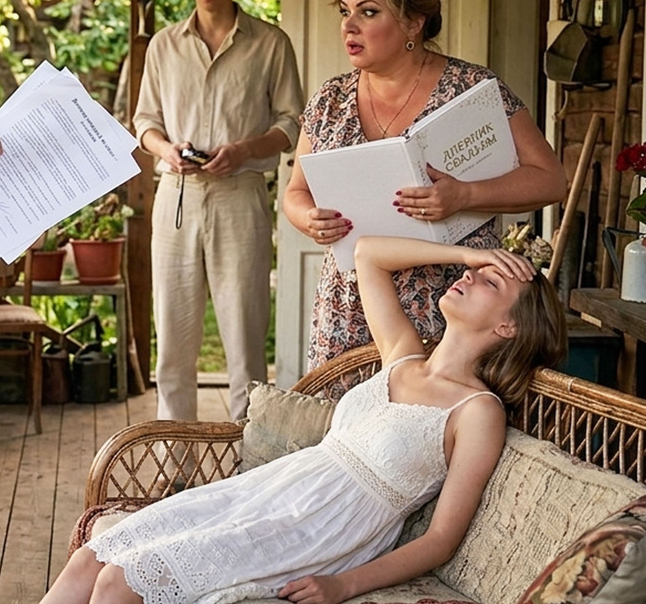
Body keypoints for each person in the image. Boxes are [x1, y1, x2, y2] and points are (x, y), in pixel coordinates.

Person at [41, 235, 567, 604]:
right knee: (93, 558)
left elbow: (440, 539)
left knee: (118, 583)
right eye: (476, 269)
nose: (470, 275)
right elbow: (367, 254)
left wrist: (343, 585)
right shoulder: (403, 354)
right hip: (269, 491)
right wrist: (467, 252)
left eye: (489, 282)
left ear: (508, 327)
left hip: (320, 528)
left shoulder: (476, 412)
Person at [282, 0, 566, 384]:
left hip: (451, 304)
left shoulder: (472, 88)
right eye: (345, 12)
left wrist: (465, 195)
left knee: (433, 421)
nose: (349, 26)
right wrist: (309, 220)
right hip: (351, 303)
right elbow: (296, 193)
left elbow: (551, 180)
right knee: (344, 419)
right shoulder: (329, 99)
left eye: (368, 12)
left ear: (413, 22)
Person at [134, 0, 304, 422]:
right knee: (172, 344)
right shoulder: (164, 46)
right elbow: (144, 122)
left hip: (240, 194)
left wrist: (244, 150)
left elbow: (292, 123)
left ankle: (247, 456)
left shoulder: (270, 43)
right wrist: (167, 149)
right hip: (177, 196)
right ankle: (175, 457)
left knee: (245, 342)